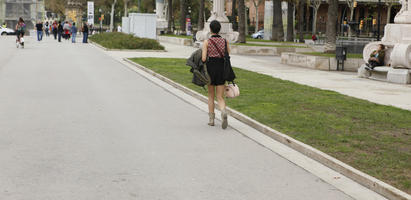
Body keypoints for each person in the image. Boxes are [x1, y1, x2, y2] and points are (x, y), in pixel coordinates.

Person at [201, 20, 232, 129]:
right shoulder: (225, 41)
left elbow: (204, 58)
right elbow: (228, 53)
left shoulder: (207, 42)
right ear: (219, 29)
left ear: (210, 29)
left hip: (210, 70)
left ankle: (211, 119)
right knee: (220, 96)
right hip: (221, 69)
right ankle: (223, 111)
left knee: (211, 95)